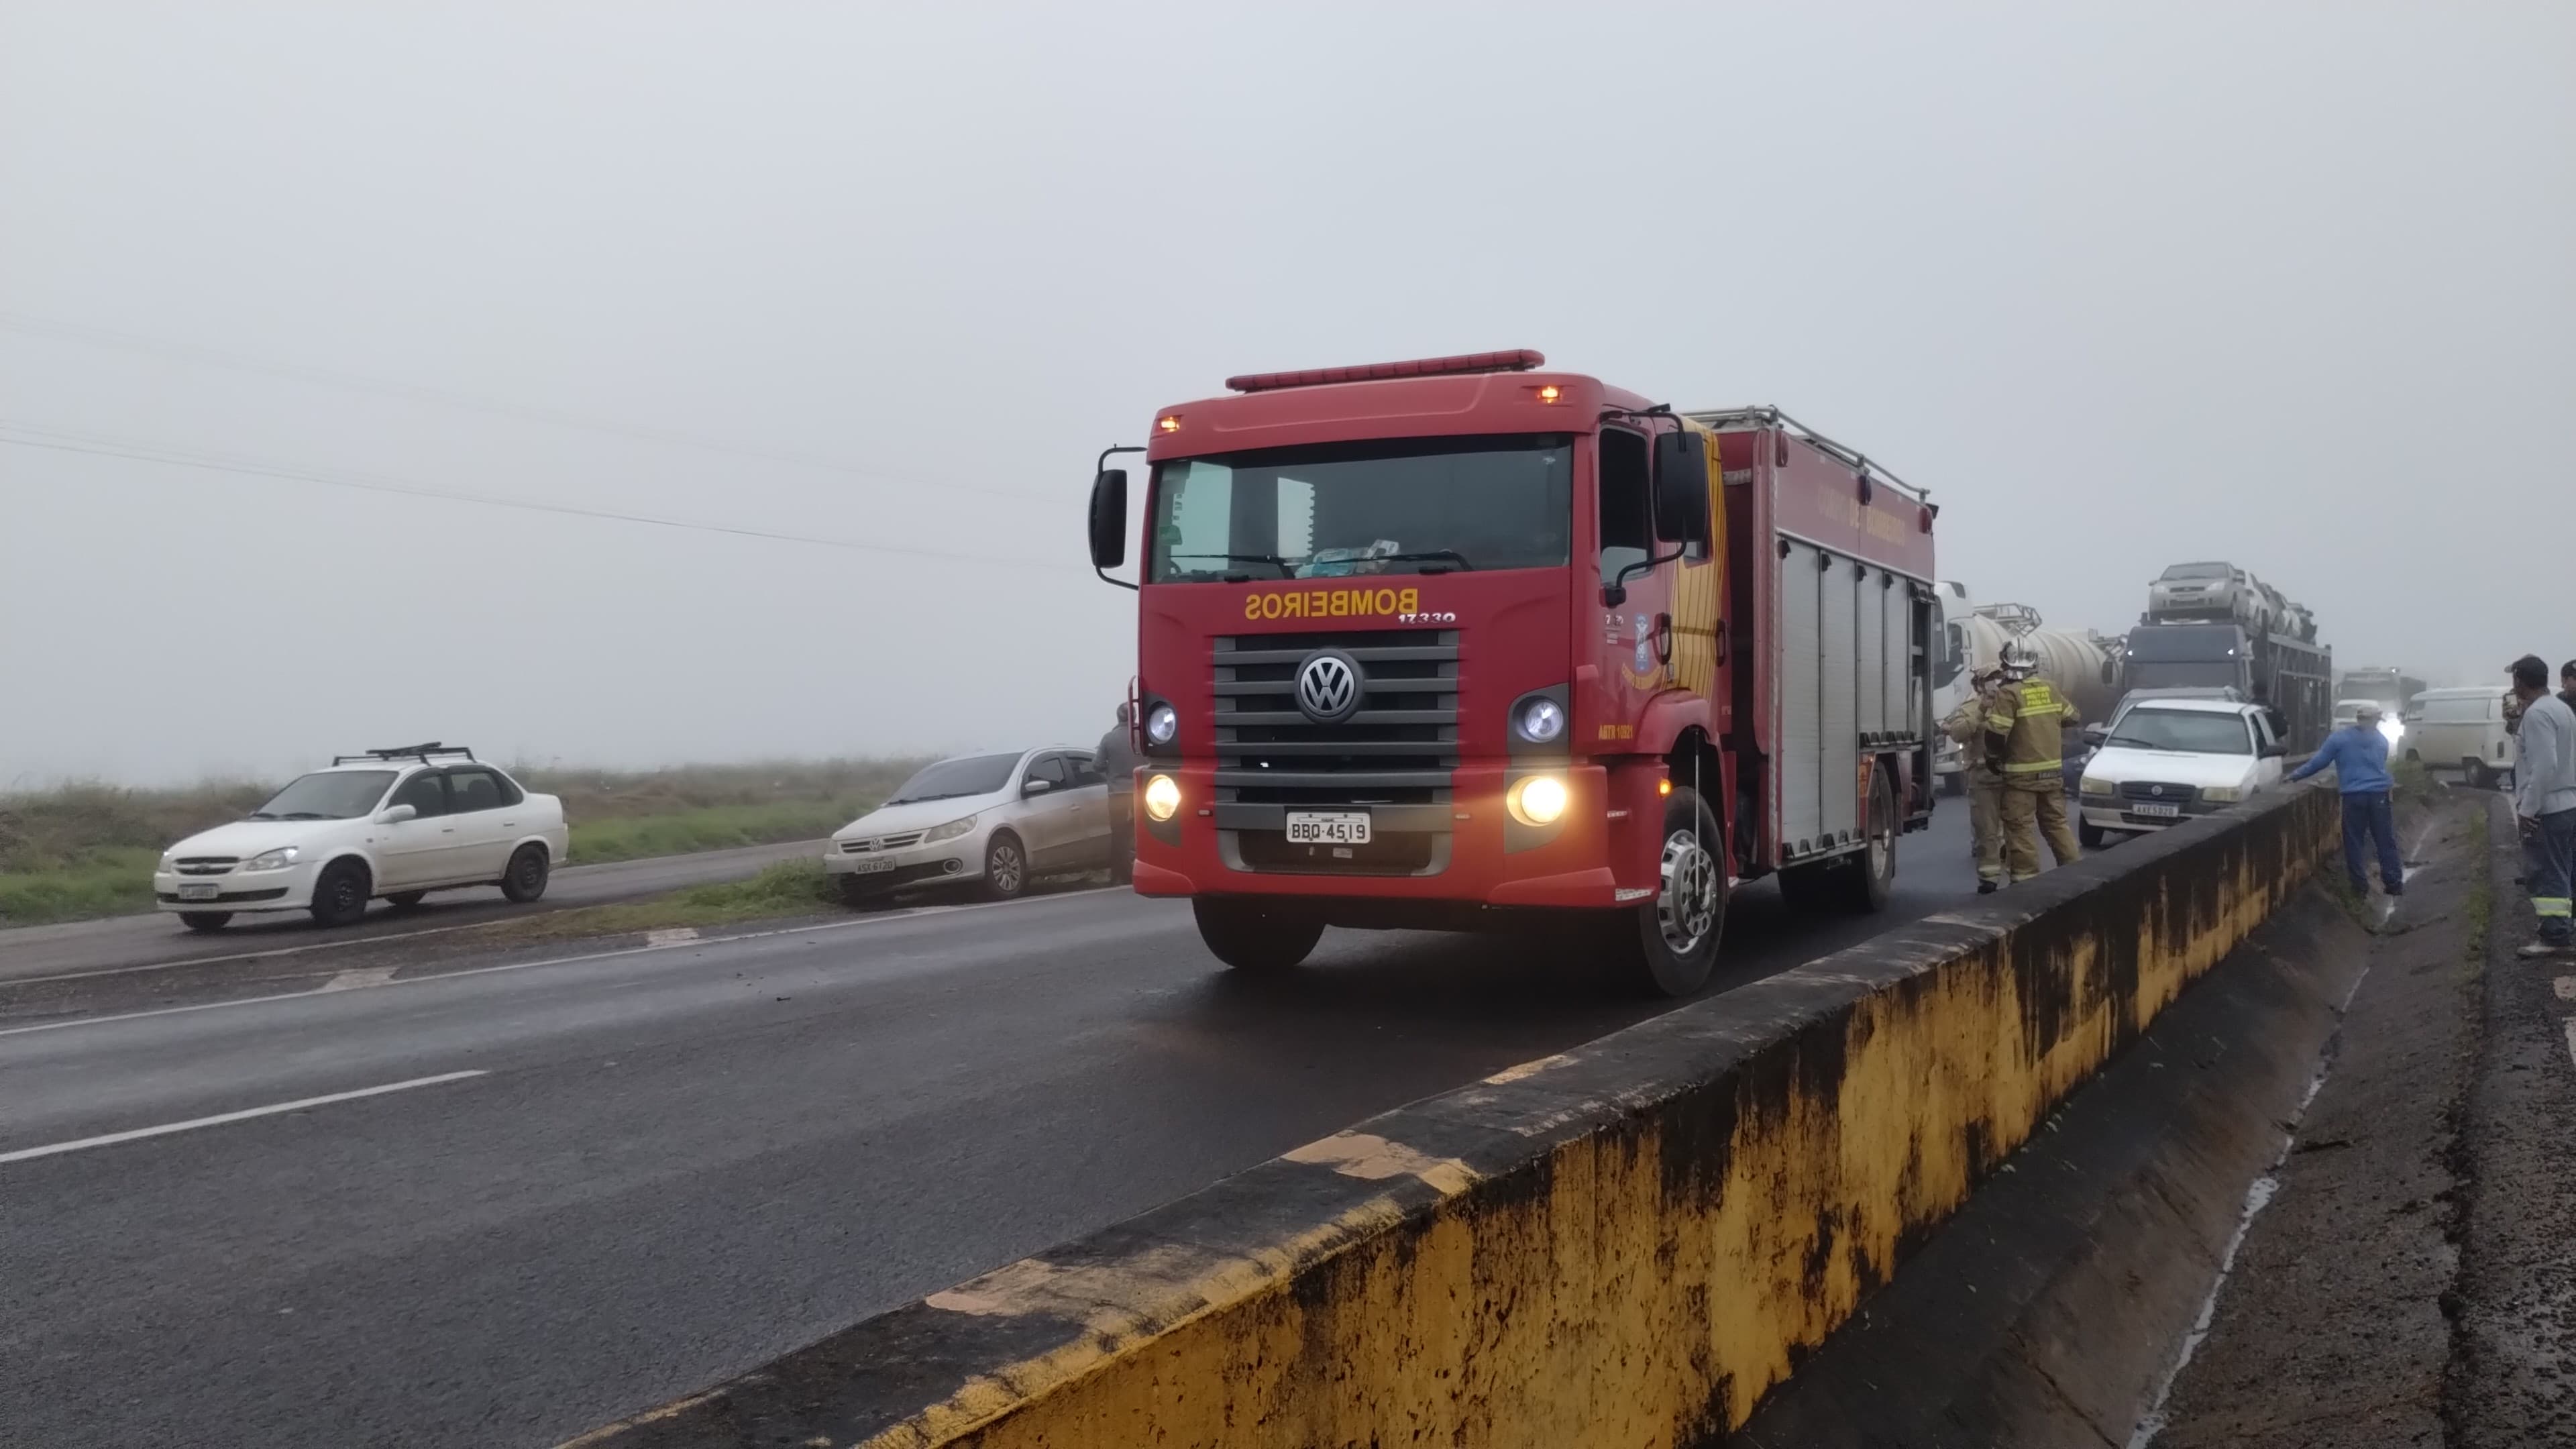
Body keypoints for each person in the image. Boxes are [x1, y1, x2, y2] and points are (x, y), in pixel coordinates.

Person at [1984, 641, 2082, 883]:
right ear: (2035, 662)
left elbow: (1996, 734)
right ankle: (2075, 875)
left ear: (2005, 662)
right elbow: (2073, 718)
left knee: (2020, 829)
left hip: (2021, 779)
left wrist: (1992, 759)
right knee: (2057, 824)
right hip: (2052, 775)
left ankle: (2025, 883)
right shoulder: (2051, 688)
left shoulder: (2009, 694)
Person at [2289, 702, 2403, 898]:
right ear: (2375, 720)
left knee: (2354, 841)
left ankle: (2359, 888)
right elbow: (2381, 764)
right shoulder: (2381, 741)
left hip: (2354, 796)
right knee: (2385, 840)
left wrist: (2295, 776)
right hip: (2379, 795)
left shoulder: (2339, 739)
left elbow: (2319, 762)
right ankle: (2394, 884)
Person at [2508, 655, 2576, 958]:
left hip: (2548, 808)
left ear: (2520, 681)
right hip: (2568, 803)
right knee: (2565, 869)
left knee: (2547, 872)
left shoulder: (2537, 715)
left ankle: (2555, 934)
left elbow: (2545, 765)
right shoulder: (2561, 709)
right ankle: (2565, 926)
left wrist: (2527, 810)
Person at [1942, 667, 2008, 893]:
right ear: (1980, 685)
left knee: (2018, 829)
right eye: (1990, 680)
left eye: (1998, 679)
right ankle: (1989, 879)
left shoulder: (2013, 703)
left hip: (2012, 776)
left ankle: (2021, 877)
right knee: (1986, 831)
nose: (1995, 684)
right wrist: (1982, 709)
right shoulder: (1972, 707)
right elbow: (1958, 733)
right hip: (1983, 778)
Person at [1095, 702, 1140, 885]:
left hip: (1117, 794)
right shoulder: (1142, 736)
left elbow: (1097, 765)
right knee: (1144, 831)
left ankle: (1117, 875)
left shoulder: (1109, 739)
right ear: (1134, 717)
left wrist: (1110, 770)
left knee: (1118, 833)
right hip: (1141, 793)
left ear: (1118, 717)